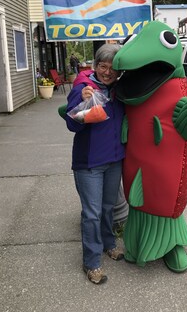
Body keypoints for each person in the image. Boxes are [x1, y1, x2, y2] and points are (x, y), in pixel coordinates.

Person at [65, 43, 125, 285]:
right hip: (89, 163)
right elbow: (72, 124)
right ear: (95, 66)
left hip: (114, 159)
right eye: (102, 66)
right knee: (91, 214)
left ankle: (109, 244)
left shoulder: (120, 90)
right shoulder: (83, 87)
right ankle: (91, 262)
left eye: (113, 68)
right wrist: (82, 102)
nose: (107, 72)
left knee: (108, 207)